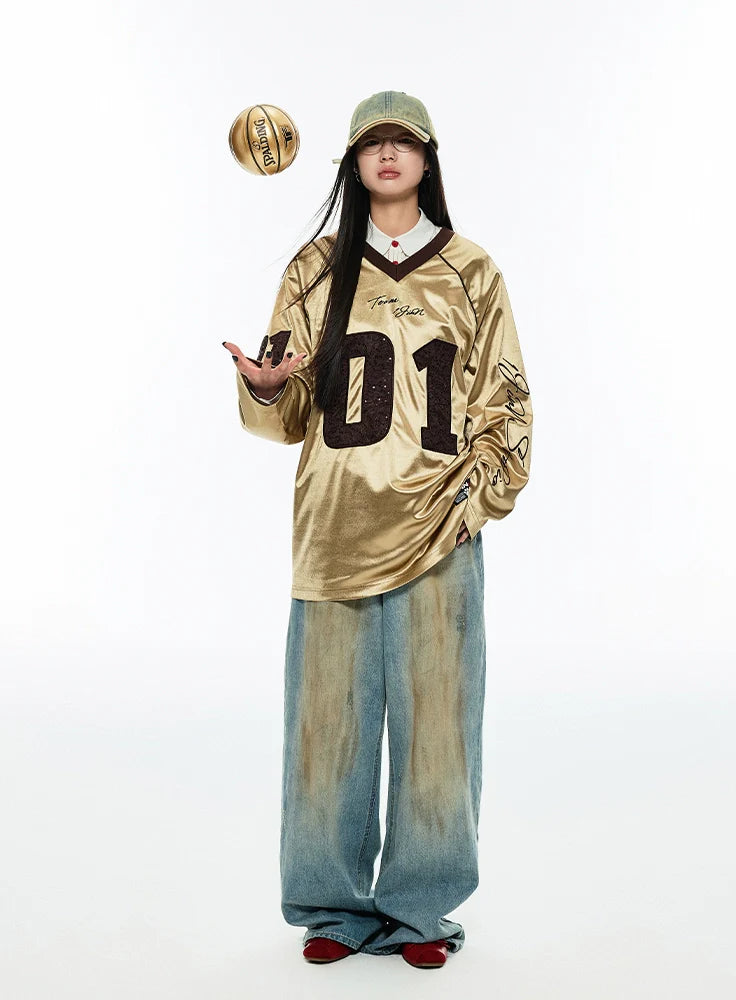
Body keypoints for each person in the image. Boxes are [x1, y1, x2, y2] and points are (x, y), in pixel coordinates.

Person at [223, 90, 533, 969]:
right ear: (353, 163)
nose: (389, 155)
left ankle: (419, 910)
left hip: (438, 530)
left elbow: (506, 404)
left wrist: (473, 503)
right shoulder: (315, 268)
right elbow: (286, 418)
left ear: (428, 159)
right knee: (326, 726)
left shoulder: (471, 270)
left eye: (405, 142)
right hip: (335, 528)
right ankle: (331, 906)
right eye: (372, 143)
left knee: (440, 727)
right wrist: (268, 388)